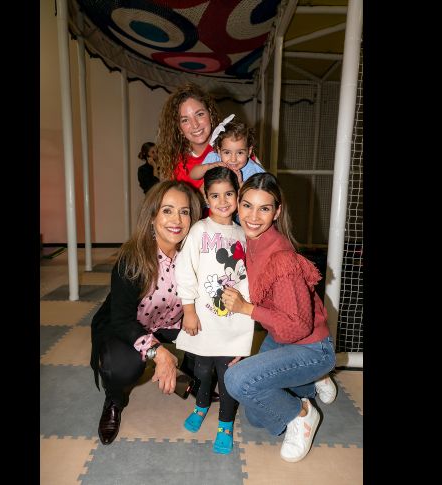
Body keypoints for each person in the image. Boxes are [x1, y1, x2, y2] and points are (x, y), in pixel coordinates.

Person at [221, 172, 337, 463]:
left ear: (277, 211)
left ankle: (303, 414)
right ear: (238, 204)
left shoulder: (281, 257)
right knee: (257, 417)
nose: (253, 216)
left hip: (310, 346)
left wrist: (246, 308)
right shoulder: (246, 240)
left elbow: (295, 328)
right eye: (247, 205)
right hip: (281, 338)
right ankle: (310, 384)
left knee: (237, 381)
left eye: (264, 208)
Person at [89, 180, 201, 446]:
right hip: (127, 326)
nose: (177, 220)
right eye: (167, 210)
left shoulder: (195, 255)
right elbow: (122, 320)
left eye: (184, 212)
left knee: (214, 343)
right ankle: (114, 399)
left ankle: (189, 374)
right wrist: (159, 354)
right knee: (123, 366)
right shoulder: (132, 259)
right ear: (152, 217)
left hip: (169, 323)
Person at [174, 167, 254, 455]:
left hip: (235, 321)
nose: (223, 201)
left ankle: (225, 423)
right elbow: (185, 271)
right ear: (206, 198)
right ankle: (201, 405)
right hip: (204, 318)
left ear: (238, 195)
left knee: (229, 374)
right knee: (203, 369)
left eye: (229, 194)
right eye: (215, 195)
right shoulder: (199, 231)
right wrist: (189, 310)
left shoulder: (245, 233)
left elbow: (252, 278)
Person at [155, 82, 221, 192]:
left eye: (200, 114)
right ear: (179, 128)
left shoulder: (232, 148)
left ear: (210, 114)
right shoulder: (176, 166)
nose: (195, 125)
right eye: (185, 120)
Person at [189, 115, 265, 187]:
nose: (233, 159)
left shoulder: (254, 172)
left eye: (240, 153)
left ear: (249, 151)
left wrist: (240, 184)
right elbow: (193, 175)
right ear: (219, 151)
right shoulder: (214, 159)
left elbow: (261, 195)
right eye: (227, 152)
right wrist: (209, 166)